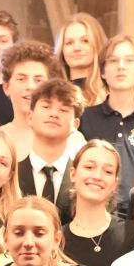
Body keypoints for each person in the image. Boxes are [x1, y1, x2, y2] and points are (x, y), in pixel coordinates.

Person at [82, 34, 134, 198]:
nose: (121, 66)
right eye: (113, 61)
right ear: (103, 72)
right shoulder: (85, 118)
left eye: (130, 60)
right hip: (95, 204)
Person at [64, 140, 134, 266]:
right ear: (73, 174)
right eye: (89, 167)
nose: (97, 176)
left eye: (108, 171)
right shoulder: (57, 241)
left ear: (115, 183)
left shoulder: (133, 235)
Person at [16, 78, 83, 206]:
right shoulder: (12, 174)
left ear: (75, 125)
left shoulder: (82, 178)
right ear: (30, 117)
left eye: (63, 110)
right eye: (46, 107)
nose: (53, 114)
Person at [0, 40, 62, 163]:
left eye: (38, 80)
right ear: (6, 87)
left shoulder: (70, 137)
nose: (30, 86)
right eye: (21, 79)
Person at [55, 13, 109, 110]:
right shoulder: (53, 94)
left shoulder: (111, 95)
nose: (77, 48)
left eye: (85, 41)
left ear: (97, 44)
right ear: (61, 50)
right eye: (69, 43)